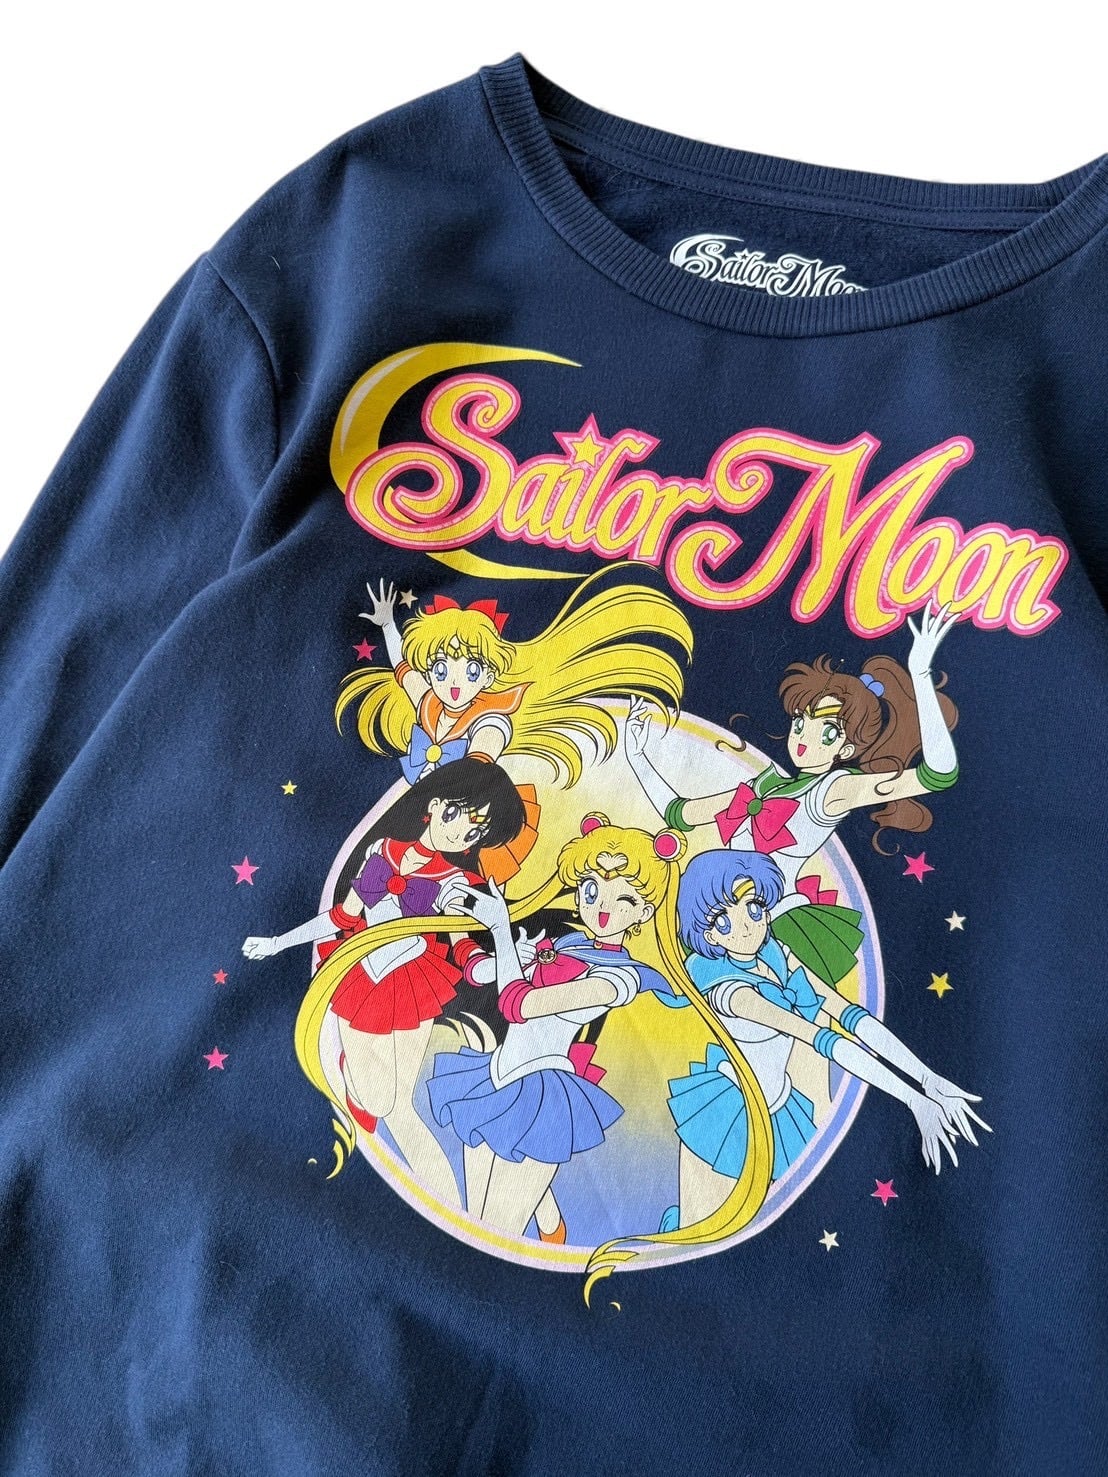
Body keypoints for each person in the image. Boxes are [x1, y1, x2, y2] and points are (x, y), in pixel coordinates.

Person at [624, 601, 961, 984]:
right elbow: (677, 812)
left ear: (846, 749)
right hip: (721, 922)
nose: (805, 737)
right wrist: (636, 754)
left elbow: (938, 775)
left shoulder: (832, 790)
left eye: (828, 732)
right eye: (802, 721)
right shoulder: (762, 787)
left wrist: (920, 674)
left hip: (775, 927)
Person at [241, 758, 528, 1208]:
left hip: (416, 982)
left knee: (401, 1108)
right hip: (362, 978)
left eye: (475, 832)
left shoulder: (460, 882)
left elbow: (467, 955)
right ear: (433, 805)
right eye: (457, 814)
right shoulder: (381, 851)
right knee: (378, 1103)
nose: (461, 834)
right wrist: (279, 942)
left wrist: (506, 952)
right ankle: (348, 1073)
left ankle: (454, 1212)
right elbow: (343, 917)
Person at [660, 849, 990, 1231]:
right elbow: (824, 1039)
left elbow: (850, 1015)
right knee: (704, 1226)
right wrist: (914, 1100)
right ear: (706, 934)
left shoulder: (775, 954)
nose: (746, 927)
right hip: (727, 1115)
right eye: (723, 920)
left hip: (778, 1105)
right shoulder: (731, 992)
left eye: (753, 908)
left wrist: (928, 1079)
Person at [425, 818, 685, 1241]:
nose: (603, 907)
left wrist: (501, 929)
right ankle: (550, 1222)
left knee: (496, 1232)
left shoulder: (620, 978)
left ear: (644, 911)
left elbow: (519, 1005)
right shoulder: (565, 945)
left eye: (624, 898)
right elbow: (481, 972)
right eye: (592, 890)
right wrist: (458, 922)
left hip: (542, 1097)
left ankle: (548, 1226)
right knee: (474, 1219)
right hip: (492, 1078)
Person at [339, 566, 693, 788]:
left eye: (471, 670)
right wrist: (388, 624)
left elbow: (482, 761)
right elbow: (403, 666)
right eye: (441, 669)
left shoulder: (491, 719)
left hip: (473, 814)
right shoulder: (429, 702)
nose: (454, 683)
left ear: (489, 676)